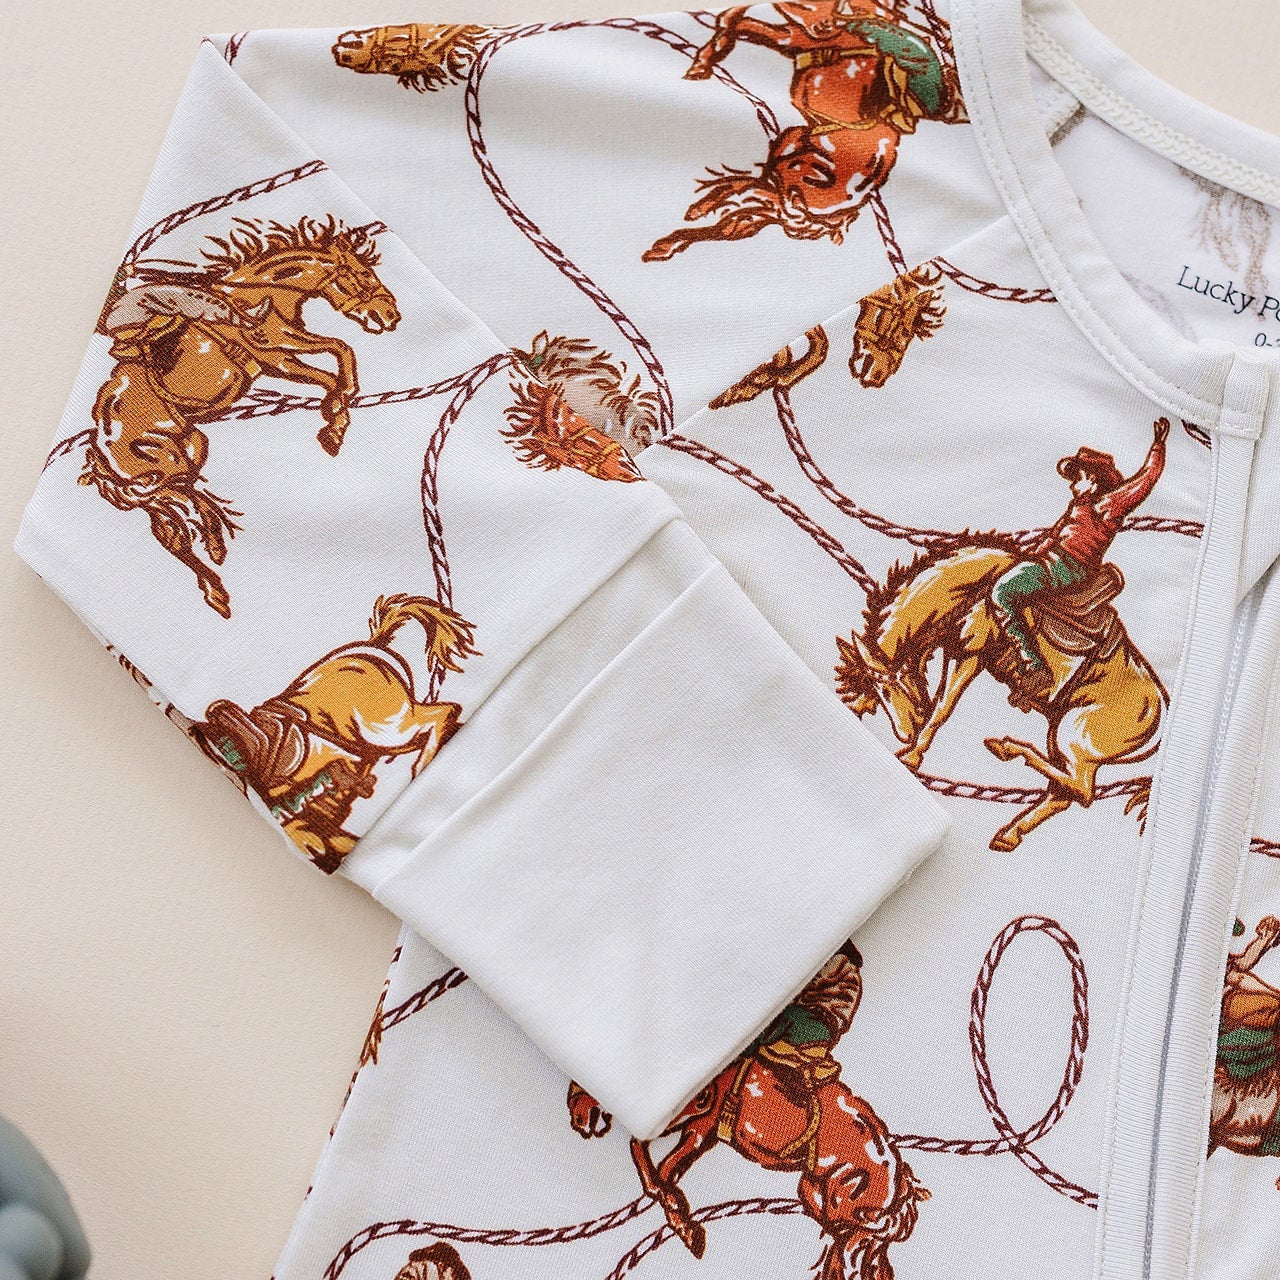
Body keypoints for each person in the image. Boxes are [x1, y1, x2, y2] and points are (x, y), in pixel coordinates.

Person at [991, 417, 1169, 689]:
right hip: (1054, 562)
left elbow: (1143, 482)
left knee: (1002, 592)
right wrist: (1032, 556)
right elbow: (1054, 538)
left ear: (1094, 480)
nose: (1073, 485)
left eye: (1078, 478)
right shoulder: (1080, 505)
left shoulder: (1108, 505)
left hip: (1067, 568)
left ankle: (1035, 666)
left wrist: (1158, 446)